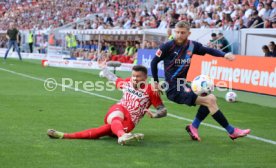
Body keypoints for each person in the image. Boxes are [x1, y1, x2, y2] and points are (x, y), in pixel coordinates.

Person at [151, 21, 250, 141]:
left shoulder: (193, 46)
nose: (179, 35)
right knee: (209, 100)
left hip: (183, 85)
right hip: (173, 88)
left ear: (189, 33)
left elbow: (209, 50)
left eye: (183, 32)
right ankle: (232, 131)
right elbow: (154, 62)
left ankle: (194, 127)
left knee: (211, 99)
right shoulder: (167, 46)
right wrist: (155, 82)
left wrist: (224, 55)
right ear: (174, 32)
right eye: (177, 32)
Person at [47, 65, 167, 145]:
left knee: (101, 131)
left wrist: (156, 115)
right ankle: (123, 136)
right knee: (117, 112)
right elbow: (114, 79)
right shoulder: (127, 82)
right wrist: (104, 69)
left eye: (138, 76)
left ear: (145, 77)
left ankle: (63, 135)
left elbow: (163, 110)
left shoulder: (151, 90)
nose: (135, 79)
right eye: (133, 76)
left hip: (129, 122)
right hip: (118, 111)